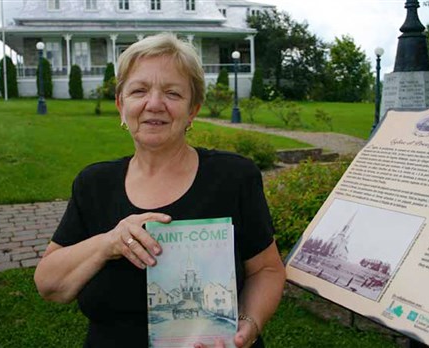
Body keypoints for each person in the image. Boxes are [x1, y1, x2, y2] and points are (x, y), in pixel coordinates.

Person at [34, 32, 286, 348]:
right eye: (139, 90)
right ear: (120, 104)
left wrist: (248, 326)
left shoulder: (234, 177)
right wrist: (109, 243)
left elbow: (267, 270)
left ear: (193, 109)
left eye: (172, 93)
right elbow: (49, 284)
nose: (154, 104)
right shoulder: (94, 184)